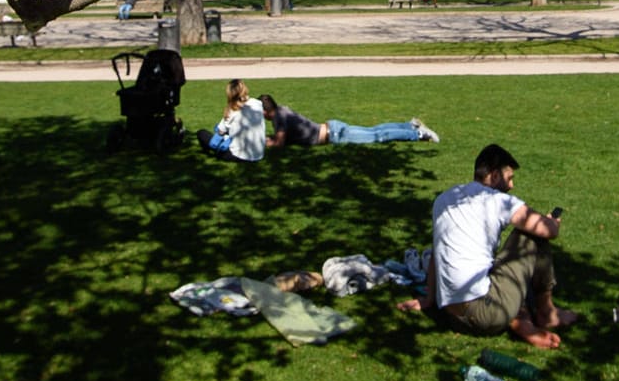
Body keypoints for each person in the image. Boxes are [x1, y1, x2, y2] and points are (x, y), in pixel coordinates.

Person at [398, 144, 576, 349]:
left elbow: (439, 251)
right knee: (531, 236)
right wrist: (552, 222)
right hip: (485, 314)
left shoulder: (444, 199)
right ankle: (546, 313)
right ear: (494, 176)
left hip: (451, 315)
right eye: (509, 178)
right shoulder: (498, 201)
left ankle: (520, 318)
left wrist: (429, 298)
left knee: (495, 264)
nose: (512, 186)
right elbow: (548, 231)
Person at [259, 93, 440, 147]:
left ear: (266, 112)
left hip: (336, 135)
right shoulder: (283, 109)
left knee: (378, 136)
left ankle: (418, 134)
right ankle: (409, 125)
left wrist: (259, 142)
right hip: (333, 129)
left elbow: (279, 142)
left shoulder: (278, 118)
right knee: (375, 130)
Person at [207, 79, 265, 162]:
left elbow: (220, 132)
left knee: (202, 134)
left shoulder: (232, 110)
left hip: (238, 155)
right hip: (258, 155)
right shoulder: (257, 103)